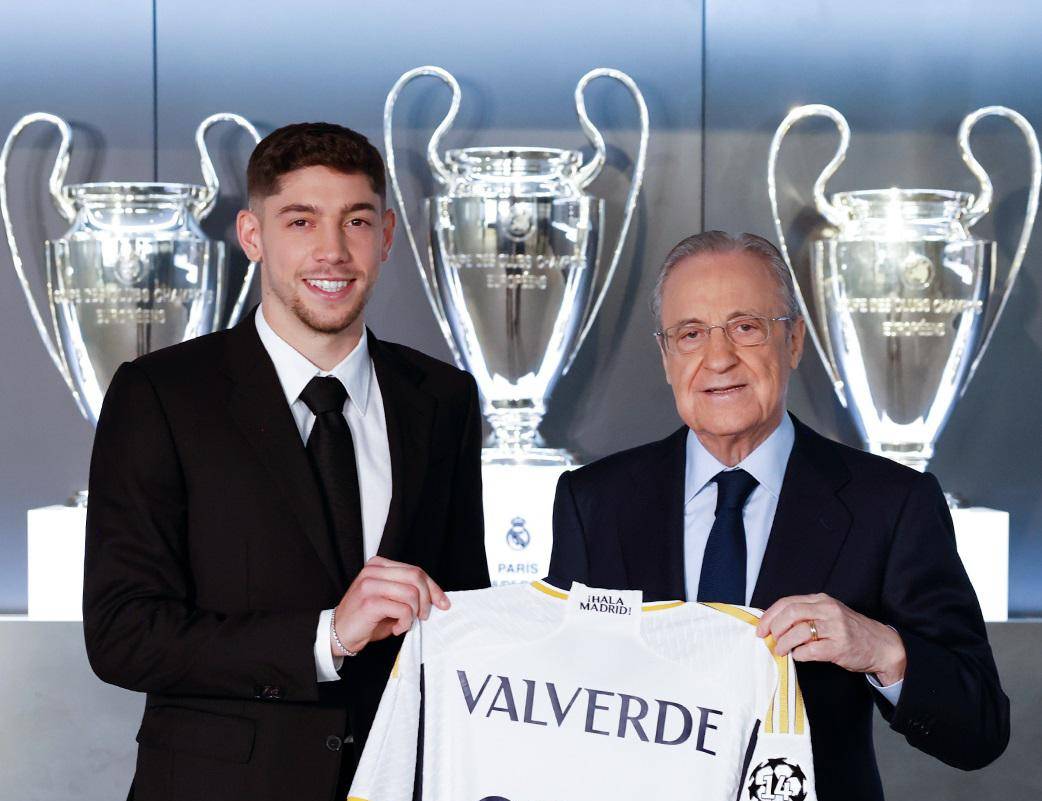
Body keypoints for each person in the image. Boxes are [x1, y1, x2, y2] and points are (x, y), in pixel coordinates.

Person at [83, 122, 489, 801]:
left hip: (400, 781)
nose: (333, 250)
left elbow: (464, 607)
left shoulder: (444, 398)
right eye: (301, 221)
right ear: (252, 235)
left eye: (356, 221)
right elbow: (124, 634)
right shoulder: (161, 394)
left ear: (387, 235)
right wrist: (327, 637)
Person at [547, 230, 1008, 801]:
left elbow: (980, 730)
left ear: (793, 342)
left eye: (746, 327)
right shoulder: (592, 501)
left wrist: (883, 650)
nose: (719, 359)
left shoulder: (891, 503)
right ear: (666, 358)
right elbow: (553, 697)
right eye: (690, 334)